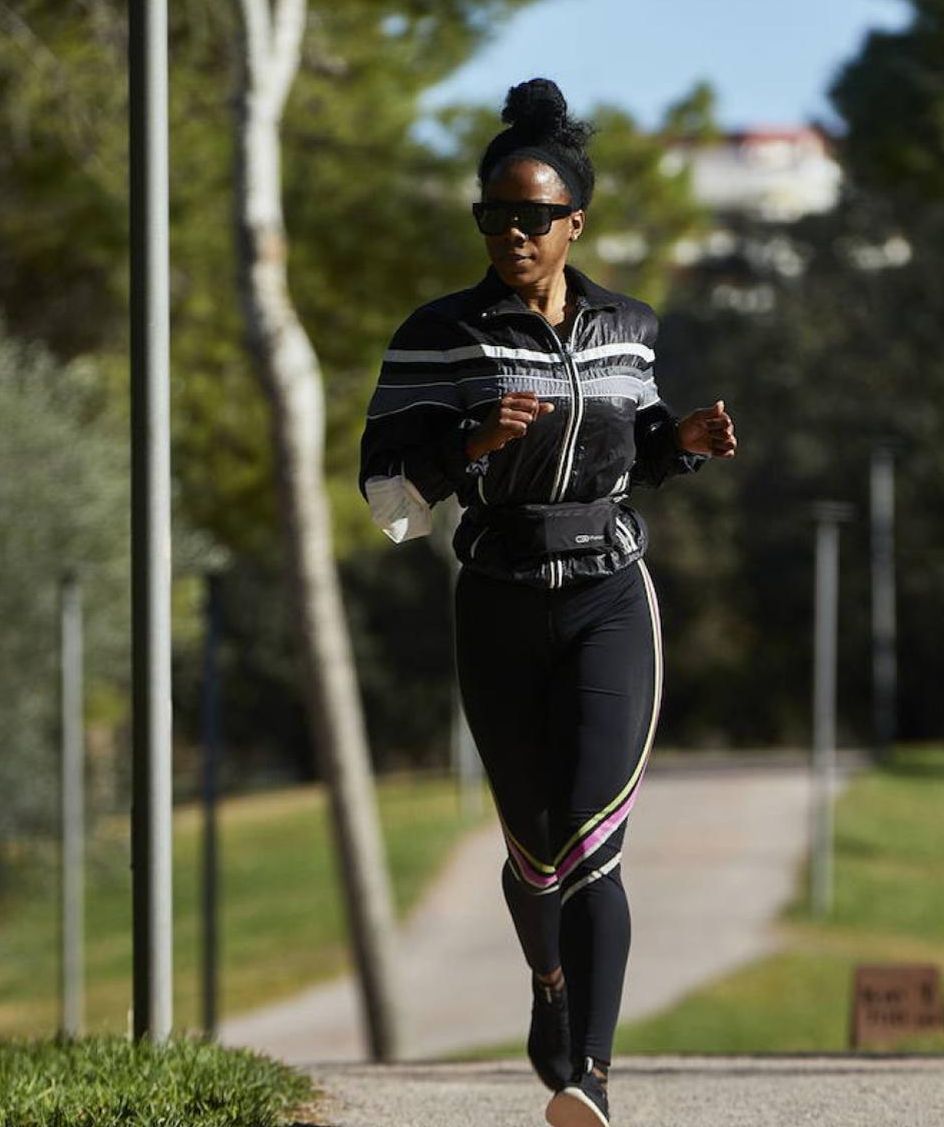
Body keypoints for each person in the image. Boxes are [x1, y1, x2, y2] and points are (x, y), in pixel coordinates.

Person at [358, 78, 735, 1127]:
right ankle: (550, 989)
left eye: (533, 218)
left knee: (593, 836)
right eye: (494, 216)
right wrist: (463, 447)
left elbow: (636, 444)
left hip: (611, 596)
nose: (513, 234)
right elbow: (385, 494)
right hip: (499, 600)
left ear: (576, 223)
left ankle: (592, 1078)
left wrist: (681, 444)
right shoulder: (439, 334)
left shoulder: (629, 325)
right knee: (533, 851)